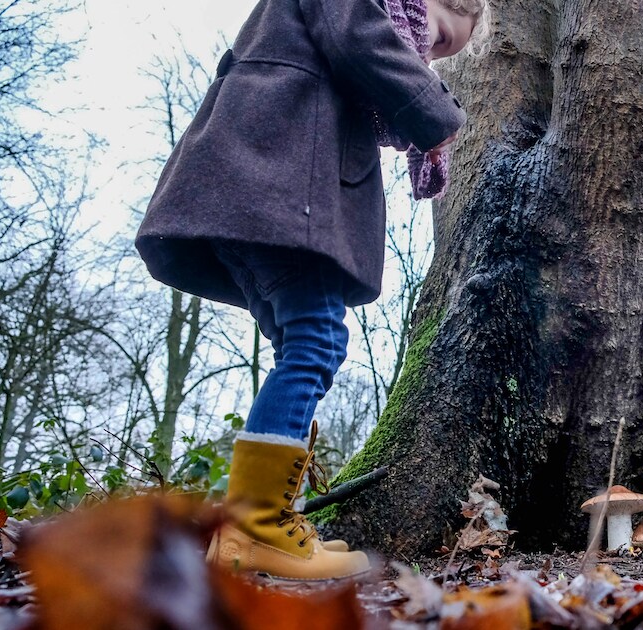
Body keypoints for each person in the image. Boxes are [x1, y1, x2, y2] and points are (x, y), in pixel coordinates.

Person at [135, 0, 489, 580]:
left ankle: (254, 525)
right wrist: (436, 112)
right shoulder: (364, 12)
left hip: (264, 187)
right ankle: (256, 527)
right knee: (316, 339)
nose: (429, 55)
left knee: (304, 341)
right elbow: (361, 39)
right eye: (441, 37)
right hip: (272, 183)